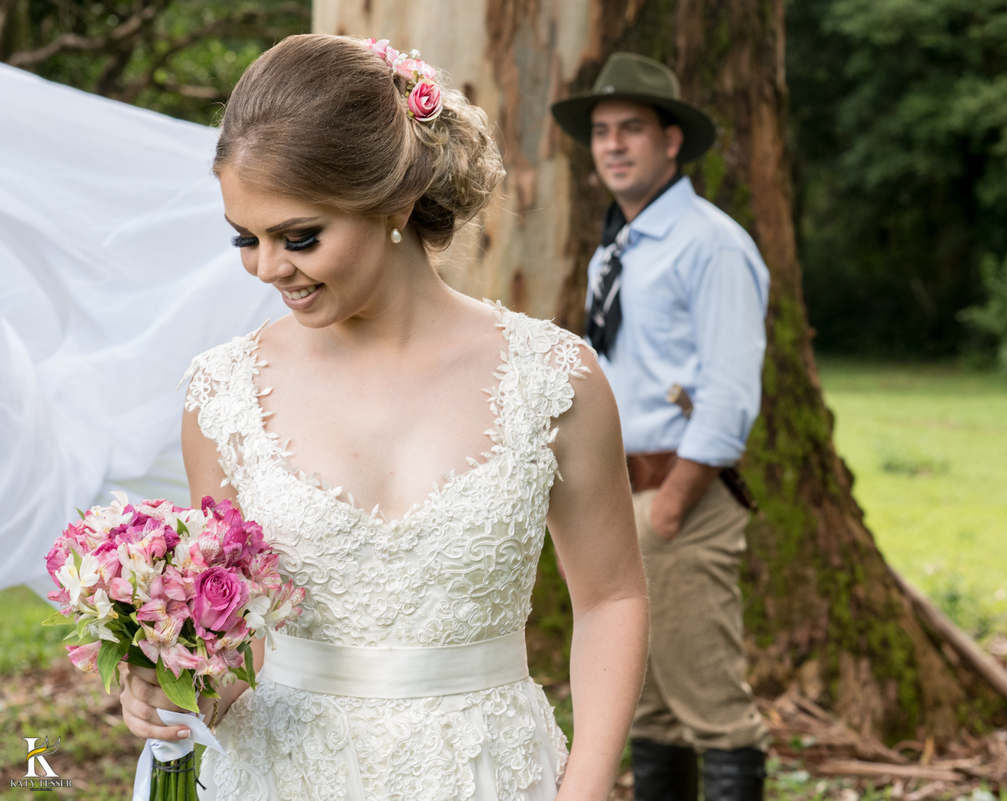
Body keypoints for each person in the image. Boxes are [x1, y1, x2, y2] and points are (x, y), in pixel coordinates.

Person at [116, 34, 649, 801]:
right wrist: (177, 688)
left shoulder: (555, 378)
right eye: (246, 238)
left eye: (299, 237)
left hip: (489, 774)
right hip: (282, 777)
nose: (268, 268)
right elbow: (239, 653)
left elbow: (611, 597)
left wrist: (587, 786)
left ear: (396, 202)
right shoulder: (222, 397)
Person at [550, 53, 772, 801]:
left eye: (632, 130)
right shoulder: (616, 248)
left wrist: (671, 506)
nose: (613, 145)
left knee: (709, 700)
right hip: (619, 497)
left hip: (680, 499)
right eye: (603, 132)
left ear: (672, 141)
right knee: (645, 705)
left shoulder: (710, 244)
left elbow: (732, 391)